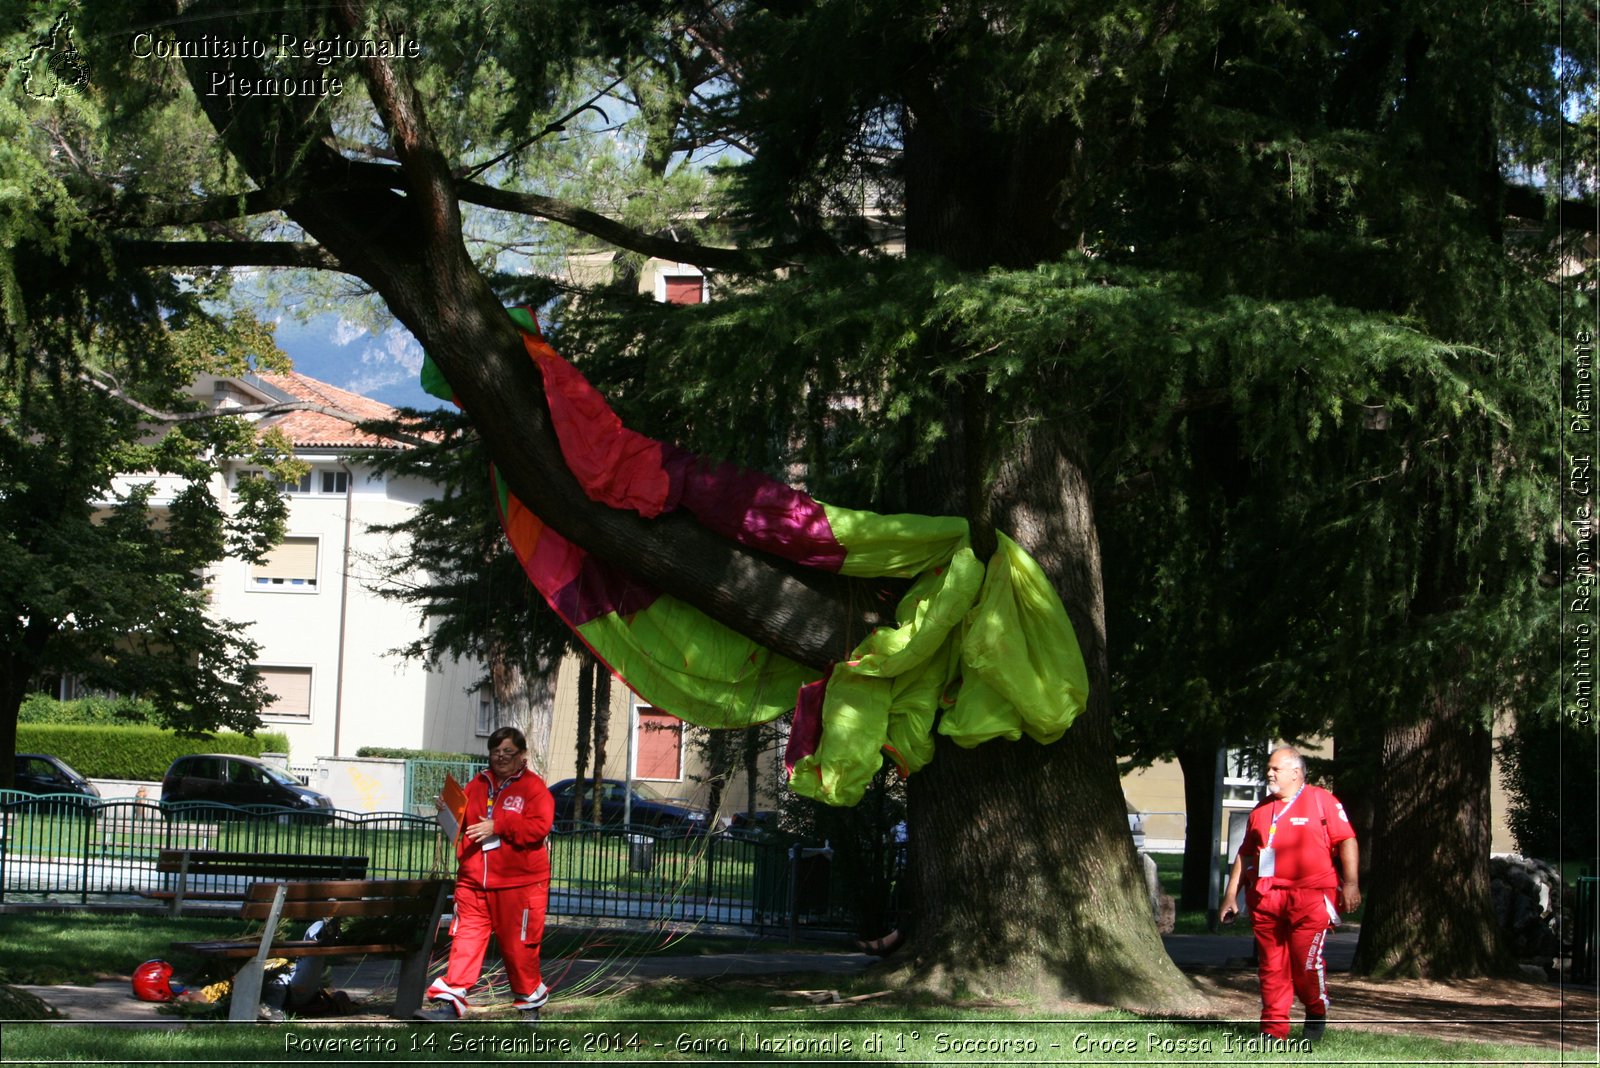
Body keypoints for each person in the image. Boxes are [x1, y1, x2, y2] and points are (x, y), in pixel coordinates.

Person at [1220, 746, 1360, 1044]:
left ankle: (1316, 1007)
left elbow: (1347, 840)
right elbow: (1245, 854)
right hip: (1267, 898)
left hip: (1311, 897)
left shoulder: (1322, 801)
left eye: (1275, 769)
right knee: (1272, 966)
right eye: (1268, 768)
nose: (1269, 773)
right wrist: (1231, 894)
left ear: (1296, 773)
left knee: (1305, 963)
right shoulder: (1261, 809)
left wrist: (1351, 884)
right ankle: (1273, 1030)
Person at [416, 727, 555, 1024]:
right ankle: (448, 1005)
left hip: (520, 885)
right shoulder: (477, 783)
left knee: (519, 948)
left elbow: (539, 827)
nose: (501, 757)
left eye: (508, 752)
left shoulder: (534, 788)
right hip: (473, 881)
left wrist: (499, 825)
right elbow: (463, 822)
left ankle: (530, 1007)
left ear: (522, 755)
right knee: (465, 940)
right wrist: (447, 812)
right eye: (496, 752)